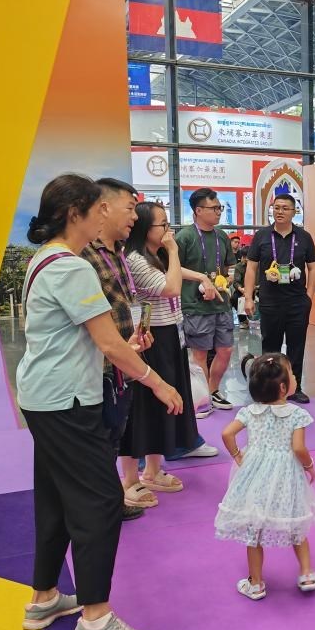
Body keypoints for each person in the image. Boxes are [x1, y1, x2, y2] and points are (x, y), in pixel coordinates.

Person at [17, 173, 182, 630]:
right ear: (77, 214)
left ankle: (45, 597)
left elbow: (89, 338)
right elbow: (107, 342)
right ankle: (95, 618)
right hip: (67, 401)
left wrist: (124, 350)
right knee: (100, 502)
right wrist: (157, 381)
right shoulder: (71, 267)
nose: (106, 216)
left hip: (46, 396)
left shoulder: (46, 258)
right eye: (98, 209)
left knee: (54, 496)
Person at [214, 353, 315, 600]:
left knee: (254, 530)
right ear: (283, 388)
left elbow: (227, 434)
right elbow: (298, 448)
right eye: (292, 373)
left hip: (255, 475)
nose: (295, 377)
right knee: (296, 524)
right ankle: (306, 573)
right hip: (286, 476)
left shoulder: (250, 412)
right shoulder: (296, 414)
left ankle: (256, 583)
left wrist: (238, 455)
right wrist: (310, 466)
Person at [80, 179, 156, 518]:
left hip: (123, 362)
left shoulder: (119, 252)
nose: (135, 217)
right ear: (104, 207)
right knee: (97, 442)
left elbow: (124, 303)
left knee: (113, 435)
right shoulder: (83, 256)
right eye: (130, 208)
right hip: (98, 367)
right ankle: (100, 508)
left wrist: (136, 338)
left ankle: (109, 501)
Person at [121, 201, 203, 498]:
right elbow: (171, 287)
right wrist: (174, 250)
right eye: (163, 224)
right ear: (145, 228)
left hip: (170, 334)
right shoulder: (135, 259)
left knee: (166, 405)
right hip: (149, 339)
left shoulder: (155, 255)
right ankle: (130, 478)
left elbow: (175, 275)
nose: (169, 230)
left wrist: (201, 276)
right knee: (143, 408)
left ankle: (153, 470)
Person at [243, 193, 315, 404]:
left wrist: (309, 296)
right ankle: (270, 389)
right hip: (270, 302)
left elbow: (313, 268)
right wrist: (248, 297)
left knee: (297, 346)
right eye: (276, 207)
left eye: (285, 208)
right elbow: (251, 268)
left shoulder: (304, 237)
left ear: (294, 212)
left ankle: (295, 388)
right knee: (270, 347)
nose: (280, 212)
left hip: (297, 302)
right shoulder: (262, 236)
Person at [176, 188, 237, 417]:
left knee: (226, 350)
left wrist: (227, 280)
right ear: (198, 210)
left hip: (221, 303)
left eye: (220, 208)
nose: (219, 212)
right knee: (200, 355)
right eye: (214, 208)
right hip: (195, 305)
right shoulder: (185, 237)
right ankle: (201, 399)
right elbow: (173, 269)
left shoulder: (221, 236)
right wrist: (201, 280)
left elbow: (230, 267)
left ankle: (212, 391)